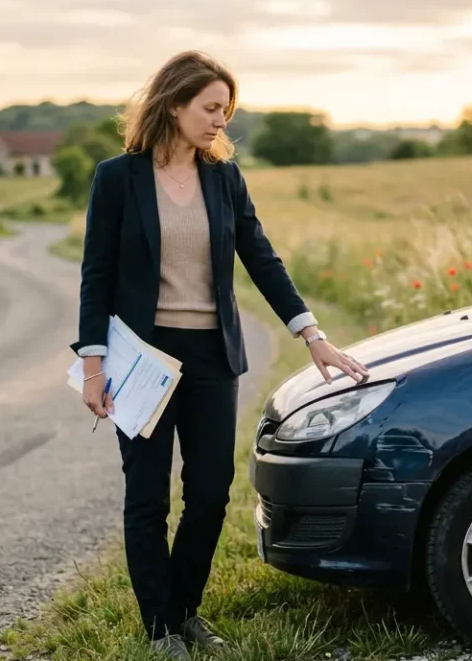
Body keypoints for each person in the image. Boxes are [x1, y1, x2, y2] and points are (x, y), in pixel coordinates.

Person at [70, 50, 370, 659]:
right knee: (147, 496)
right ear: (174, 103)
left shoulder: (223, 177)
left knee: (210, 491)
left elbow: (261, 257)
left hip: (211, 357)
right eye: (210, 108)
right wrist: (94, 367)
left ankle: (185, 612)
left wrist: (311, 334)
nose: (219, 123)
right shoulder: (117, 178)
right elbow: (95, 275)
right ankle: (160, 628)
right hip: (143, 362)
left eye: (226, 113)